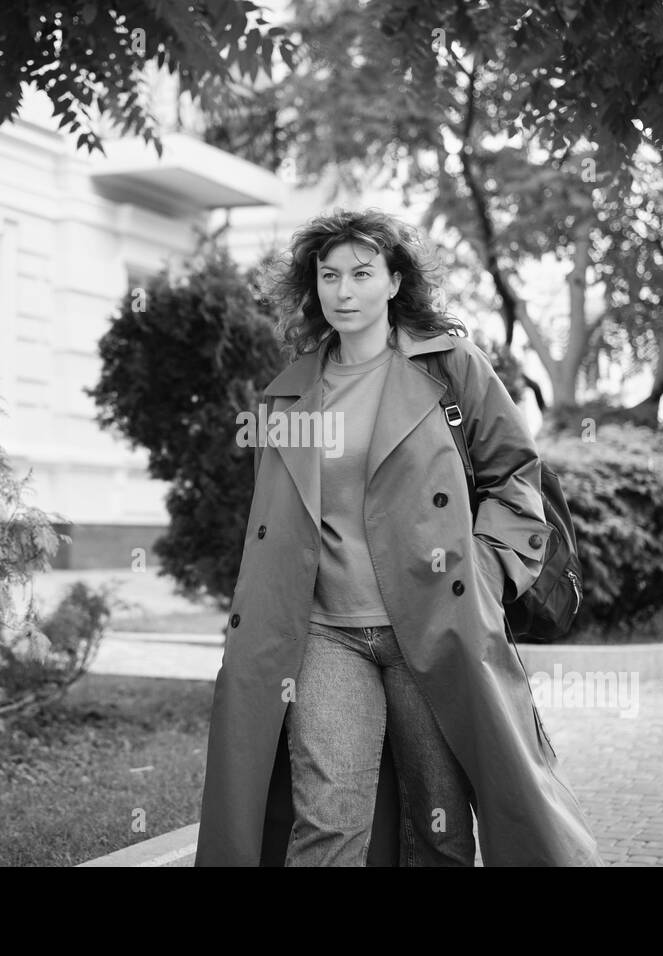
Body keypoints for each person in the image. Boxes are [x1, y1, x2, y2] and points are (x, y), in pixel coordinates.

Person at [195, 208, 602, 866]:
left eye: (362, 273)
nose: (345, 291)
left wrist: (490, 571)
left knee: (438, 827)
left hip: (432, 627)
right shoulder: (288, 395)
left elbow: (518, 473)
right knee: (328, 824)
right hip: (325, 634)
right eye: (330, 276)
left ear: (393, 281)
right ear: (313, 286)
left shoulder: (449, 367)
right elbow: (278, 524)